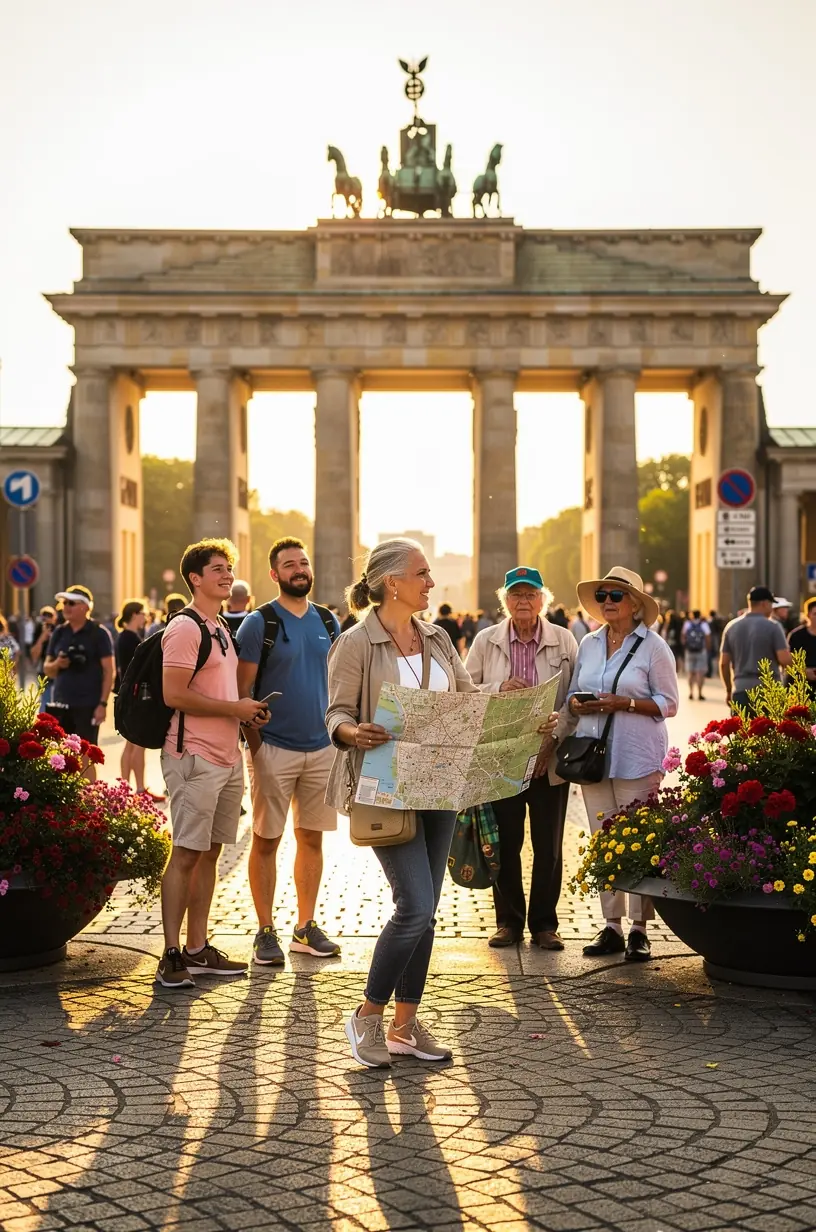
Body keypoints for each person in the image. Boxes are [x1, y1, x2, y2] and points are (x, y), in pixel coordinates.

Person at [325, 538, 479, 1068]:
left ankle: (405, 1027)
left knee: (429, 913)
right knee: (413, 906)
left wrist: (513, 708)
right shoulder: (355, 643)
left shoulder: (436, 637)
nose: (431, 583)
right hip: (386, 788)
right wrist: (351, 731)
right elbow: (335, 714)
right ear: (392, 582)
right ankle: (367, 1017)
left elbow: (467, 700)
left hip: (442, 784)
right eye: (422, 574)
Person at [156, 538, 270, 989]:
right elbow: (174, 695)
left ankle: (198, 948)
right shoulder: (185, 628)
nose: (227, 574)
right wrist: (234, 710)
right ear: (195, 578)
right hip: (194, 756)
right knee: (185, 853)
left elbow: (220, 693)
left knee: (210, 853)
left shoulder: (220, 625)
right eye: (217, 568)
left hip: (226, 756)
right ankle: (170, 954)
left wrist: (246, 709)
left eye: (229, 567)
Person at [236, 537, 342, 967]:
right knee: (266, 839)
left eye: (303, 562)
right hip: (273, 748)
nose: (298, 569)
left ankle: (305, 926)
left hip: (321, 748)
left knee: (311, 839)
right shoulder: (259, 623)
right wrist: (256, 745)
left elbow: (338, 684)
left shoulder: (328, 620)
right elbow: (241, 692)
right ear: (274, 574)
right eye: (289, 564)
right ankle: (265, 931)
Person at [568, 567, 679, 962]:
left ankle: (638, 929)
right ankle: (611, 926)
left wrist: (624, 703)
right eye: (603, 596)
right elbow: (570, 696)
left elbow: (669, 703)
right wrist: (578, 703)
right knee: (603, 840)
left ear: (635, 605)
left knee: (637, 842)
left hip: (637, 753)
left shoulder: (654, 647)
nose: (608, 603)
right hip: (593, 757)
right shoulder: (590, 643)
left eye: (616, 596)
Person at [465, 567, 572, 950]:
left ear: (544, 599)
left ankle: (545, 924)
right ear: (504, 601)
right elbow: (465, 691)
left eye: (530, 595)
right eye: (515, 595)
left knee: (549, 845)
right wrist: (498, 689)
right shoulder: (485, 641)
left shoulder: (564, 641)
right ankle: (508, 921)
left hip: (549, 757)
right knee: (505, 843)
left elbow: (576, 698)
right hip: (502, 759)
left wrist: (554, 738)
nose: (523, 602)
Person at [43, 586, 114, 775]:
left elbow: (109, 671)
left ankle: (88, 801)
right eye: (64, 603)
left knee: (86, 755)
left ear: (85, 607)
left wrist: (102, 704)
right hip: (61, 703)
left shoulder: (98, 633)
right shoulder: (59, 632)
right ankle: (66, 803)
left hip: (88, 704)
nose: (65, 607)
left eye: (71, 603)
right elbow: (47, 669)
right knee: (62, 755)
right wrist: (58, 663)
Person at [115, 599, 164, 800]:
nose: (146, 617)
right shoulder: (130, 638)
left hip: (126, 694)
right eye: (143, 613)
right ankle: (140, 789)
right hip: (136, 697)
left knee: (129, 745)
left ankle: (125, 788)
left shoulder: (124, 636)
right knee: (138, 745)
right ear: (135, 614)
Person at [720, 586, 792, 714]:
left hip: (741, 690)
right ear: (764, 604)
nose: (772, 609)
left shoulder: (731, 627)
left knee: (742, 732)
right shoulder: (773, 627)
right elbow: (784, 659)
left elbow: (724, 663)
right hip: (769, 692)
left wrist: (729, 690)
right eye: (771, 605)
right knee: (770, 733)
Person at [681, 609, 711, 701]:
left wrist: (685, 646)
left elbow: (683, 636)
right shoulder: (704, 624)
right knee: (700, 672)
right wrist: (708, 648)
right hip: (701, 651)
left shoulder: (687, 624)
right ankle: (700, 693)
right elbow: (708, 637)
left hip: (689, 651)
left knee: (691, 673)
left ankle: (691, 692)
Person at [788, 598, 816, 694]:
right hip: (800, 687)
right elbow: (788, 660)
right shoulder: (797, 636)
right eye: (815, 614)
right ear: (808, 615)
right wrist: (804, 671)